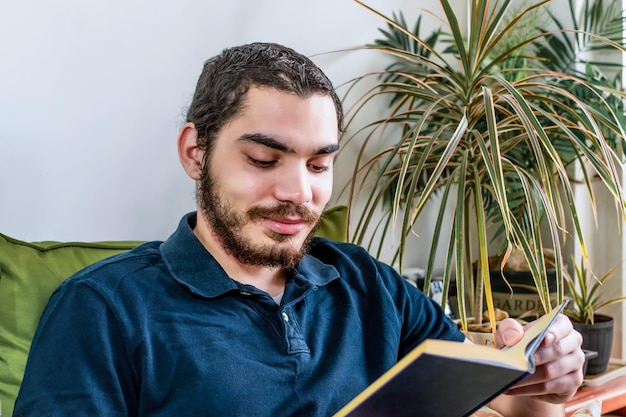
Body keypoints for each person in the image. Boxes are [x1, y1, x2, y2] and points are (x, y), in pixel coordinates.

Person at [14, 42, 584, 417]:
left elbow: (498, 408)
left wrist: (543, 379)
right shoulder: (102, 308)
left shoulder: (367, 285)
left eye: (318, 164)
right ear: (195, 152)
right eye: (264, 159)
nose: (299, 192)